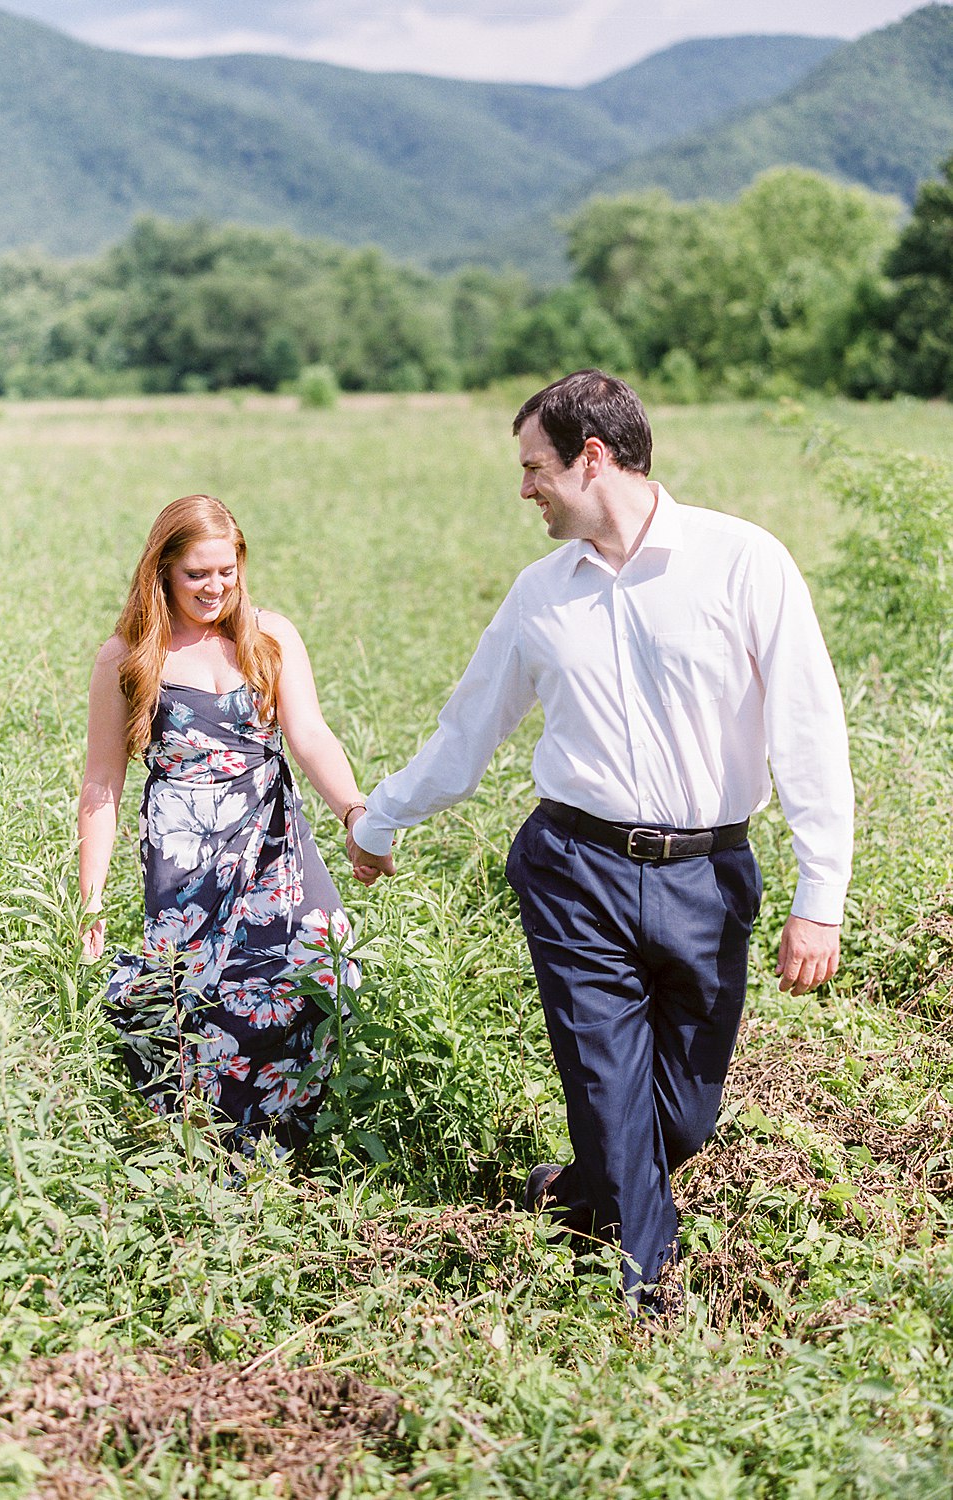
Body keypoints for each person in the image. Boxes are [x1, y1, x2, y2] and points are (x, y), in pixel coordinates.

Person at [347, 370, 853, 1309]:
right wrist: (378, 822)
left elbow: (810, 730)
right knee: (609, 1093)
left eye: (536, 467)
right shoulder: (541, 596)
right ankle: (644, 1298)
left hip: (708, 875)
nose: (525, 489)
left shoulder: (743, 561)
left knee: (686, 1113)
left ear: (593, 457)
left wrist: (818, 898)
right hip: (574, 870)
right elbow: (468, 733)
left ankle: (576, 1194)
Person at [78, 494, 365, 1155]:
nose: (214, 589)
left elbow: (311, 735)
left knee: (325, 970)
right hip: (185, 857)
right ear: (162, 572)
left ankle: (290, 1138)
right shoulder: (125, 657)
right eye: (196, 575)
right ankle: (209, 1152)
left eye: (225, 573)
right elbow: (103, 781)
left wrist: (354, 809)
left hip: (274, 838)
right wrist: (89, 897)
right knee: (201, 1000)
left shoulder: (269, 636)